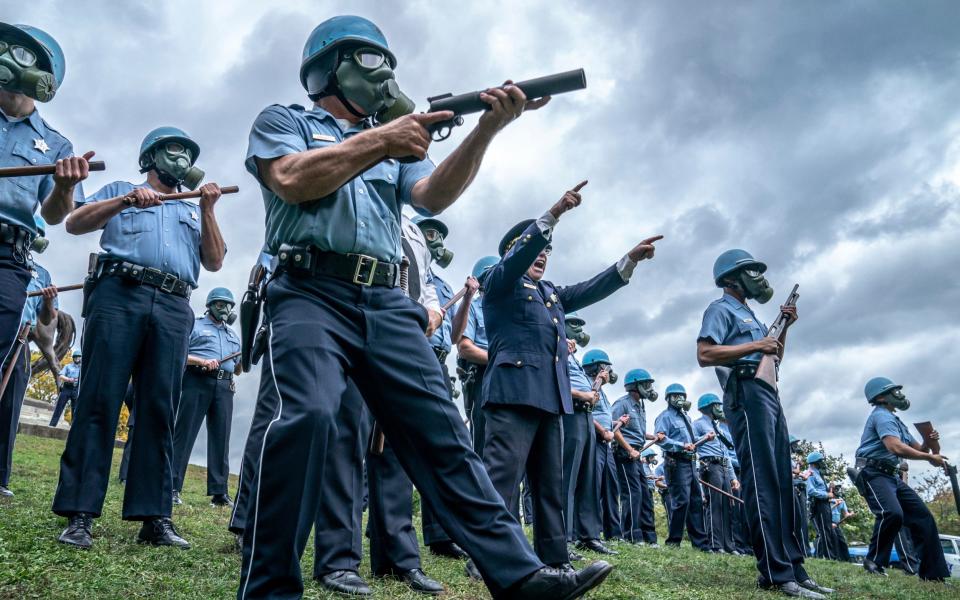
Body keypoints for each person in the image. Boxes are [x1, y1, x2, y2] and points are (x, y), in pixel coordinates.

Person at [238, 15, 613, 599]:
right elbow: (291, 179)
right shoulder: (285, 121)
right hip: (309, 288)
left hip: (388, 299)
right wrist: (383, 138)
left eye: (388, 62)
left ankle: (519, 579)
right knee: (307, 416)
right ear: (325, 68)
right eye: (368, 60)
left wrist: (487, 128)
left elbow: (433, 193)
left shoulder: (396, 139)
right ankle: (268, 588)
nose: (384, 72)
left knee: (444, 433)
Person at [54, 126, 226, 550]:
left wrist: (207, 209)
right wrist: (126, 200)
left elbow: (216, 261)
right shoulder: (121, 188)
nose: (183, 159)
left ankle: (154, 516)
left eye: (189, 153)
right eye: (175, 150)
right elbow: (75, 222)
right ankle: (80, 513)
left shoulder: (190, 206)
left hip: (173, 304)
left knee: (160, 406)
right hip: (119, 293)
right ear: (151, 157)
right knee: (99, 398)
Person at [478, 181, 660, 573]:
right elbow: (520, 254)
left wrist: (627, 261)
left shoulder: (550, 294)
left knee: (549, 485)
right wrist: (554, 214)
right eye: (535, 249)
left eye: (547, 252)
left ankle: (554, 559)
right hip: (512, 393)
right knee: (501, 480)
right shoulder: (499, 282)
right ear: (515, 250)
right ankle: (489, 555)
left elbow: (590, 289)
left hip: (551, 397)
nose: (542, 255)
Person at [697, 249, 831, 598]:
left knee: (783, 481)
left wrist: (783, 329)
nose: (757, 276)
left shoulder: (753, 316)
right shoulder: (720, 309)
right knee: (762, 482)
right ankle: (774, 572)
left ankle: (795, 568)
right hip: (745, 393)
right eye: (749, 270)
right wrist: (758, 343)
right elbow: (705, 354)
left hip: (769, 393)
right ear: (730, 279)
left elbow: (774, 356)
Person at [0, 22, 89, 405]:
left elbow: (54, 217)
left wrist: (66, 187)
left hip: (6, 258)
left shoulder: (56, 144)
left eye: (18, 52)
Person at [852, 377, 949, 581]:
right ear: (880, 396)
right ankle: (873, 562)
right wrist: (930, 456)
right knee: (892, 513)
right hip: (873, 472)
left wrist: (929, 441)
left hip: (891, 475)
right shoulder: (881, 416)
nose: (900, 395)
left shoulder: (896, 421)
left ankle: (933, 575)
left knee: (923, 517)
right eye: (894, 391)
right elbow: (894, 447)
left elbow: (918, 450)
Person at [411, 214, 466, 562]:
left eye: (438, 234)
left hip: (440, 361)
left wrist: (469, 298)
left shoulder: (443, 286)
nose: (435, 240)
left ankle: (441, 533)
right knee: (395, 441)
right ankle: (382, 526)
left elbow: (458, 336)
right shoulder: (406, 267)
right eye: (428, 233)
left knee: (440, 444)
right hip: (412, 352)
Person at [172, 287, 242, 507]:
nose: (225, 309)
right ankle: (172, 487)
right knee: (185, 434)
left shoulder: (233, 334)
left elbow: (239, 368)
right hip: (197, 381)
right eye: (221, 304)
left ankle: (219, 493)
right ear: (211, 305)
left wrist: (245, 358)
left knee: (221, 437)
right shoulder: (196, 324)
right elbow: (180, 354)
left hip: (225, 385)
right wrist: (201, 361)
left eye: (228, 305)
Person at [0, 233, 57, 497]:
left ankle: (1, 479)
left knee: (9, 410)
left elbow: (46, 325)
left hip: (21, 341)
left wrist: (47, 302)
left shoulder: (43, 274)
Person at [566, 347, 616, 556]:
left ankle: (589, 536)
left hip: (585, 415)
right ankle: (565, 537)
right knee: (568, 480)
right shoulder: (558, 349)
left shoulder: (574, 359)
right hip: (571, 411)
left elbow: (592, 395)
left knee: (588, 482)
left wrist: (598, 383)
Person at [653, 383, 710, 551]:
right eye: (676, 396)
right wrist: (681, 445)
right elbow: (661, 439)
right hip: (675, 462)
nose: (680, 399)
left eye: (682, 396)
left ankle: (700, 544)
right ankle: (673, 542)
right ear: (668, 399)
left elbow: (692, 439)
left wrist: (705, 437)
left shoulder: (687, 418)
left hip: (691, 462)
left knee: (696, 501)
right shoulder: (664, 417)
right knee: (681, 501)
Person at [610, 368, 663, 546]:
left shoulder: (640, 406)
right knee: (632, 494)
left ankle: (649, 537)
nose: (649, 388)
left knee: (645, 494)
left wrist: (653, 436)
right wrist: (629, 449)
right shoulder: (622, 403)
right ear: (635, 385)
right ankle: (632, 536)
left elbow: (636, 432)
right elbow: (615, 430)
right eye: (646, 384)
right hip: (624, 454)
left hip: (637, 454)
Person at [453, 256, 497, 455]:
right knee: (484, 446)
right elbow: (465, 348)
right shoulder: (473, 308)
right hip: (484, 378)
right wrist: (502, 359)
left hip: (514, 381)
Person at [693, 393, 740, 554]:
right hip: (710, 466)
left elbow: (726, 453)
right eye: (717, 405)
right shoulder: (698, 424)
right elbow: (691, 443)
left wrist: (733, 477)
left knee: (728, 505)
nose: (720, 409)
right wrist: (704, 438)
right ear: (709, 407)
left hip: (724, 467)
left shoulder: (719, 428)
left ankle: (729, 545)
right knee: (715, 505)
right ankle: (716, 544)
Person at [805, 451, 838, 561]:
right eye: (820, 461)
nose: (822, 463)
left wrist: (830, 488)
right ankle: (828, 557)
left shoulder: (819, 474)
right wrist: (826, 494)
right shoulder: (810, 473)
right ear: (815, 462)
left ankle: (827, 556)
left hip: (825, 504)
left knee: (828, 529)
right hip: (818, 504)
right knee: (823, 531)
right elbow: (810, 491)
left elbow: (825, 491)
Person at [790, 435, 811, 555]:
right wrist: (799, 467)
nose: (796, 447)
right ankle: (801, 549)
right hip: (794, 488)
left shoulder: (792, 459)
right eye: (794, 444)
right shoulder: (785, 456)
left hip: (800, 488)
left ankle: (805, 550)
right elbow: (796, 473)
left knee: (802, 521)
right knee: (797, 520)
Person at [49, 349, 81, 427]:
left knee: (75, 409)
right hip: (66, 388)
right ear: (73, 358)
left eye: (79, 357)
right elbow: (61, 376)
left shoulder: (82, 368)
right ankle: (52, 425)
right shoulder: (68, 366)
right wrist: (69, 379)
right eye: (76, 357)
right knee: (59, 407)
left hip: (76, 390)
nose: (77, 359)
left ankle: (73, 428)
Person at [828, 483, 851, 562]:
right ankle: (836, 559)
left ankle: (847, 560)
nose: (838, 491)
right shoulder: (828, 500)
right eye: (836, 489)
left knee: (842, 541)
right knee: (834, 540)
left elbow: (845, 513)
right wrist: (835, 504)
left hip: (837, 524)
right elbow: (826, 512)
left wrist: (849, 515)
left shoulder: (841, 500)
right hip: (829, 523)